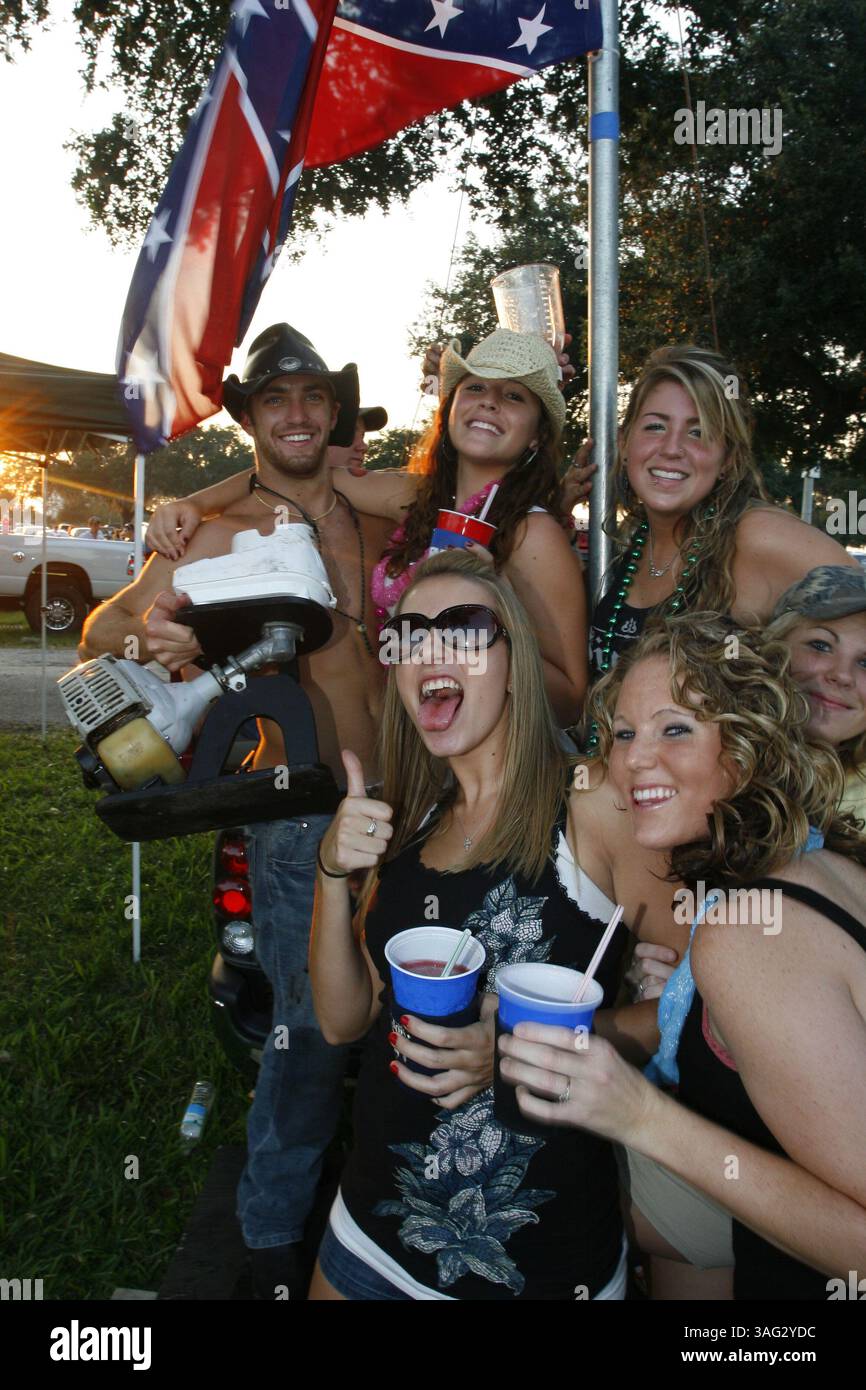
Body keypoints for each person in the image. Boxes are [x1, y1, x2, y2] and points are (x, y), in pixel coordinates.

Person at [79, 322, 393, 1299]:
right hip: (300, 815)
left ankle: (389, 1208)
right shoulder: (210, 533)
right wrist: (165, 636)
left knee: (411, 1012)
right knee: (303, 1036)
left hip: (414, 800)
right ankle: (266, 1238)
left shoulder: (372, 509)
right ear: (249, 414)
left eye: (312, 397)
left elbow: (474, 489)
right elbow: (105, 628)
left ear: (333, 411)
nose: (297, 414)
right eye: (276, 399)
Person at [499, 615, 866, 1299]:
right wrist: (693, 1003)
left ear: (747, 750)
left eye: (675, 729)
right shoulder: (820, 864)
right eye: (626, 734)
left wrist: (640, 1114)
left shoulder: (748, 934)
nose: (634, 760)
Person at [307, 548, 631, 1300]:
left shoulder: (590, 805)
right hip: (373, 1234)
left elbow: (689, 1014)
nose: (431, 651)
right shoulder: (412, 818)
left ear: (516, 664)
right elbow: (342, 1019)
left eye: (465, 629)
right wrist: (330, 872)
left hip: (542, 1266)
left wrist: (517, 1049)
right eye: (411, 635)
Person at [146, 330, 589, 725]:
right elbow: (293, 478)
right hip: (410, 761)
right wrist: (195, 502)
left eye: (514, 396)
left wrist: (493, 616)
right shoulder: (413, 499)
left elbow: (571, 702)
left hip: (481, 760)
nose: (490, 401)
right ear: (451, 408)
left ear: (535, 435)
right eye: (475, 387)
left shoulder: (532, 534)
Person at [585, 345, 858, 681]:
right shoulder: (636, 544)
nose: (672, 448)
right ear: (625, 443)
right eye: (656, 427)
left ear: (727, 460)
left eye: (699, 433)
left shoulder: (756, 534)